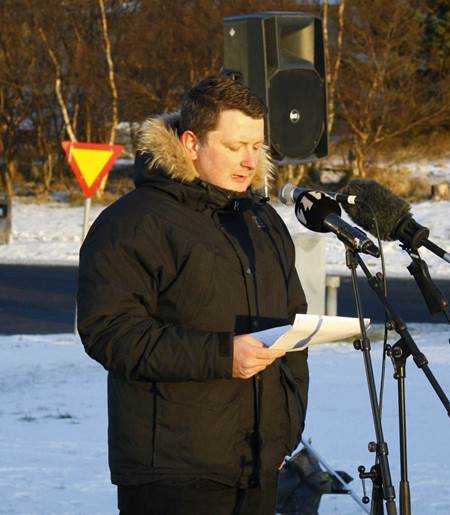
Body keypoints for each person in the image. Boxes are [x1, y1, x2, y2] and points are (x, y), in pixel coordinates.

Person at [77, 75, 309, 515]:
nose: (249, 160)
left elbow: (292, 331)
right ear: (190, 143)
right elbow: (109, 332)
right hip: (173, 471)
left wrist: (285, 431)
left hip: (258, 463)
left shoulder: (263, 221)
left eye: (257, 146)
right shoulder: (133, 223)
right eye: (234, 146)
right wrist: (222, 356)